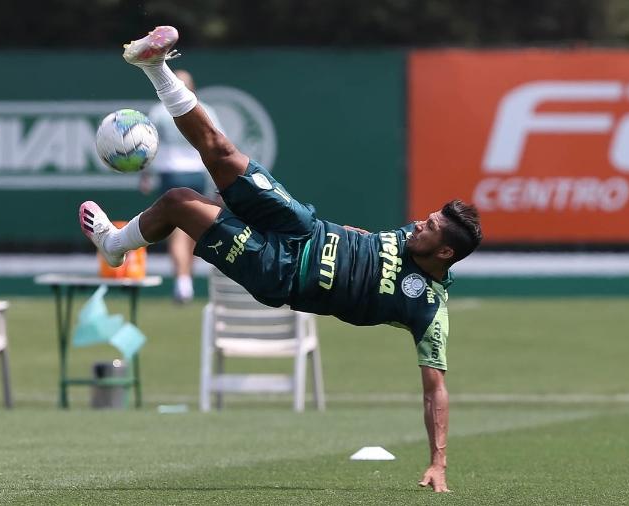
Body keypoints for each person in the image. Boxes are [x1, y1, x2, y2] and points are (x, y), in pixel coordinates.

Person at [79, 26, 482, 494]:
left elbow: (436, 389)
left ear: (446, 253)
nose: (418, 223)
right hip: (304, 226)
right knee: (222, 151)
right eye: (426, 218)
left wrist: (439, 463)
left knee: (178, 202)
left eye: (430, 228)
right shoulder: (411, 236)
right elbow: (368, 244)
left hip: (282, 271)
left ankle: (114, 245)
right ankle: (154, 65)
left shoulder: (429, 309)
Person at [142, 70, 223, 303]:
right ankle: (185, 278)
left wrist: (146, 175)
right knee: (195, 225)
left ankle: (182, 280)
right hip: (197, 174)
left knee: (177, 227)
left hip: (171, 174)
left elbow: (146, 144)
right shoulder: (205, 109)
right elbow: (218, 144)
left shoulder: (159, 111)